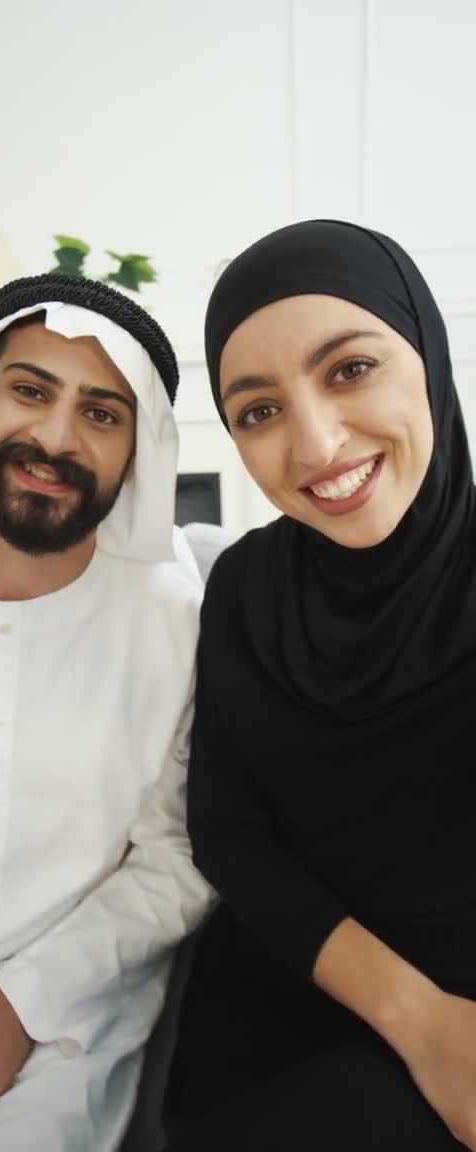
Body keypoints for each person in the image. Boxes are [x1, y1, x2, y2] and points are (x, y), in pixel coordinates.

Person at [0, 273, 211, 1152]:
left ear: (137, 453)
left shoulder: (178, 626)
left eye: (101, 414)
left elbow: (178, 857)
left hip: (60, 1030)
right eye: (30, 391)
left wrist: (26, 1001)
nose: (54, 439)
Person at [164, 221, 476, 1152]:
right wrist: (416, 1020)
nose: (317, 442)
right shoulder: (245, 587)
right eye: (258, 410)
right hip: (290, 992)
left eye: (349, 369)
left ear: (425, 353)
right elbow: (227, 826)